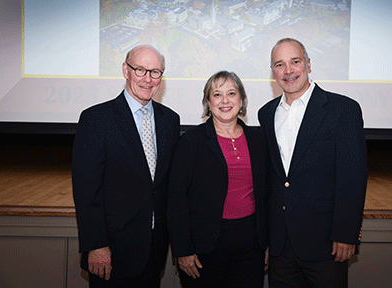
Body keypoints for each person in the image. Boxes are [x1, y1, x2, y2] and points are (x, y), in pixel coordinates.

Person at [258, 38, 368, 288]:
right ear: (273, 71)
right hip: (280, 246)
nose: (288, 71)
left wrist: (346, 234)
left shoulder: (343, 109)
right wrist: (265, 240)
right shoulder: (266, 113)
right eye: (279, 64)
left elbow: (353, 176)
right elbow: (272, 182)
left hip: (326, 243)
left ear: (307, 63)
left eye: (295, 62)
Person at [72, 44, 180, 287]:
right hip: (110, 253)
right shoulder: (96, 120)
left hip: (153, 251)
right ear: (125, 70)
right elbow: (86, 190)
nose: (148, 79)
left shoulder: (170, 121)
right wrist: (96, 245)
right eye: (140, 70)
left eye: (155, 72)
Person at [167, 71, 269, 288]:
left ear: (241, 99)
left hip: (251, 247)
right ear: (208, 101)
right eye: (217, 94)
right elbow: (176, 199)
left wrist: (267, 243)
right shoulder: (191, 142)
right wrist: (183, 250)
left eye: (232, 93)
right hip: (204, 247)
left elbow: (266, 195)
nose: (225, 101)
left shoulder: (258, 140)